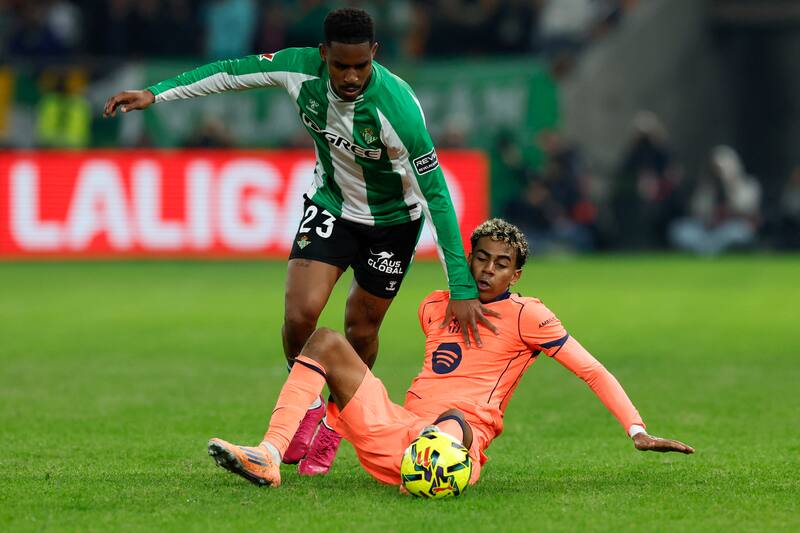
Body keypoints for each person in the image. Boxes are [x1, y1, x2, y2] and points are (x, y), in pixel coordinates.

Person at [103, 7, 496, 476]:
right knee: (299, 313)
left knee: (361, 329)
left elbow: (438, 197)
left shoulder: (399, 110)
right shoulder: (296, 67)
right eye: (340, 65)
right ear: (322, 53)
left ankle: (335, 420)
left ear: (374, 54)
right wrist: (155, 92)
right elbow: (230, 73)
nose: (351, 77)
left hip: (393, 222)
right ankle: (308, 403)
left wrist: (461, 285)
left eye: (361, 66)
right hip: (331, 204)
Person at [206, 218, 694, 489]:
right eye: (480, 257)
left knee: (452, 420)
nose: (487, 270)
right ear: (467, 257)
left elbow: (591, 371)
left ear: (515, 276)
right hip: (394, 430)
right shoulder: (435, 305)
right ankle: (269, 454)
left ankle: (430, 462)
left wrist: (636, 429)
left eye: (502, 265)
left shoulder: (530, 317)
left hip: (457, 442)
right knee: (327, 340)